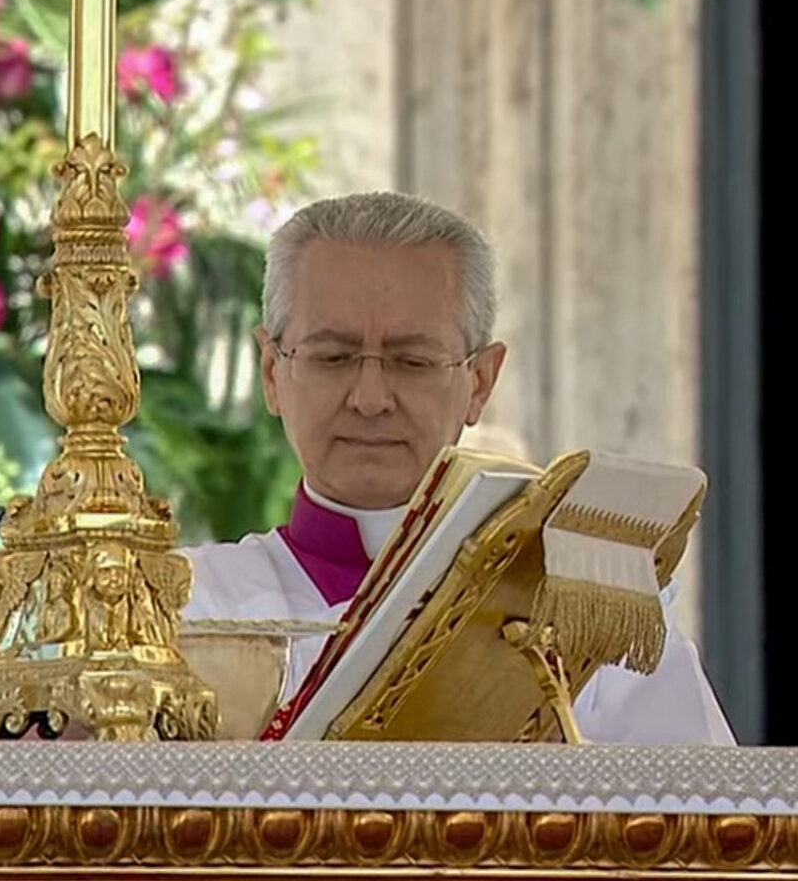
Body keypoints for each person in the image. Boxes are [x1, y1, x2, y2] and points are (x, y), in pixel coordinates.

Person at [176, 190, 734, 745]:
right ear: (272, 372)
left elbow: (709, 821)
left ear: (481, 382)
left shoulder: (592, 609)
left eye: (412, 361)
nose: (370, 398)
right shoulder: (183, 610)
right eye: (333, 356)